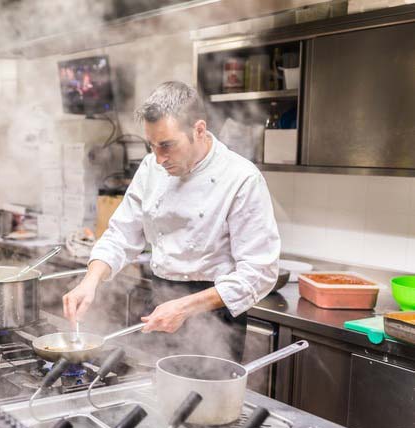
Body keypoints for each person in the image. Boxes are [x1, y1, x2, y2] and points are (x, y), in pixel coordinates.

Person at [62, 81, 280, 361]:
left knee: (209, 402)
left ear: (198, 130)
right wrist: (89, 282)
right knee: (159, 395)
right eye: (151, 146)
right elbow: (121, 235)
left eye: (167, 145)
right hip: (160, 302)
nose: (159, 158)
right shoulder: (151, 167)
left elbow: (259, 273)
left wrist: (185, 308)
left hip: (214, 316)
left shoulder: (241, 178)